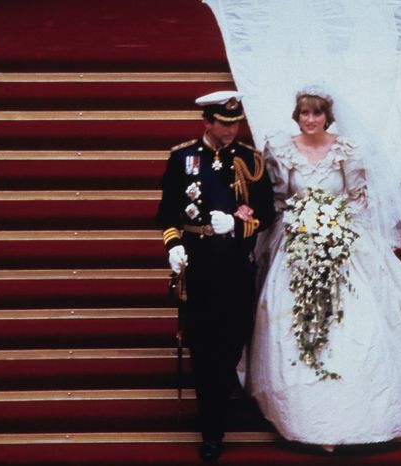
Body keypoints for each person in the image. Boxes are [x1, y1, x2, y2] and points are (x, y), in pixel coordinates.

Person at [246, 88, 401, 448]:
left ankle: (355, 412)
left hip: (342, 243)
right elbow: (278, 199)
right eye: (304, 114)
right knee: (291, 323)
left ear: (328, 116)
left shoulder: (347, 151)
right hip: (295, 245)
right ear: (296, 115)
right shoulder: (280, 149)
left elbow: (357, 198)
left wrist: (333, 228)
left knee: (352, 324)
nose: (310, 120)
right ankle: (305, 416)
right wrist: (302, 227)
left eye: (317, 114)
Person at [156, 90, 274, 462]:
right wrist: (173, 247)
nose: (231, 129)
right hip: (199, 268)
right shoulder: (183, 158)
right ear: (207, 122)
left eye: (235, 122)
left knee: (231, 346)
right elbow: (168, 213)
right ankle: (212, 430)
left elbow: (267, 213)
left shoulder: (250, 161)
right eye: (224, 124)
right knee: (204, 350)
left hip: (236, 267)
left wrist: (237, 228)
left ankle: (221, 402)